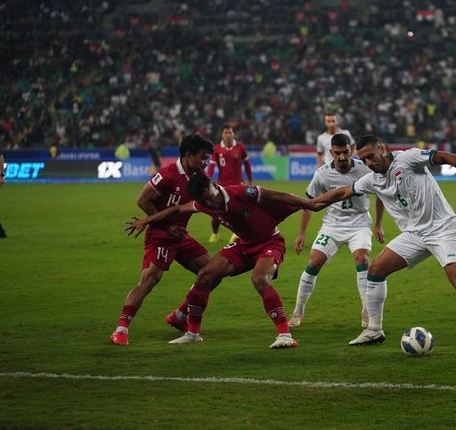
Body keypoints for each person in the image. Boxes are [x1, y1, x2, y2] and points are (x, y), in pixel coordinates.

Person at [311, 134, 456, 349]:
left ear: (381, 149)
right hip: (414, 235)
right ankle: (374, 330)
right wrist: (310, 203)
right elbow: (343, 191)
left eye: (371, 156)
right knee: (376, 270)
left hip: (443, 228)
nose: (369, 163)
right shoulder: (371, 179)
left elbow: (446, 157)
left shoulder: (408, 159)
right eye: (364, 159)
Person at [125, 173, 327, 348]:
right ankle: (193, 334)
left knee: (259, 279)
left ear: (213, 185)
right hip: (243, 245)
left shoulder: (240, 193)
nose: (209, 204)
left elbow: (277, 195)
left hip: (269, 242)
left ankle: (285, 335)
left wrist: (307, 203)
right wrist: (146, 220)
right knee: (205, 275)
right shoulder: (202, 203)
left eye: (209, 198)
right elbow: (177, 210)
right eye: (204, 202)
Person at [109, 134, 214, 346]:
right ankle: (120, 329)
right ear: (188, 155)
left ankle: (180, 315)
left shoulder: (198, 176)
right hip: (161, 236)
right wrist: (167, 226)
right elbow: (143, 200)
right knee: (149, 280)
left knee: (213, 272)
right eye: (202, 158)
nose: (205, 162)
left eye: (207, 158)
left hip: (181, 236)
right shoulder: (168, 174)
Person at [289, 133, 385, 328]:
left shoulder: (364, 169)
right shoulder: (322, 174)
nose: (342, 157)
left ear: (351, 150)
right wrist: (301, 233)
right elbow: (309, 203)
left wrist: (378, 224)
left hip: (359, 223)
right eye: (338, 153)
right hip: (332, 224)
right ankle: (298, 310)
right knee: (314, 261)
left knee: (362, 258)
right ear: (331, 152)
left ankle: (366, 310)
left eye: (345, 152)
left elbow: (380, 194)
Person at [206, 125, 252, 244]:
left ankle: (236, 233)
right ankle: (215, 233)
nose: (228, 135)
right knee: (217, 212)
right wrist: (207, 180)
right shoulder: (217, 149)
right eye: (226, 133)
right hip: (223, 185)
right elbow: (211, 167)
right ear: (222, 135)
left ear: (233, 134)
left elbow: (247, 165)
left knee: (239, 210)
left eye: (230, 132)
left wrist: (250, 180)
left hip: (238, 185)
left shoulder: (241, 148)